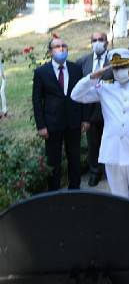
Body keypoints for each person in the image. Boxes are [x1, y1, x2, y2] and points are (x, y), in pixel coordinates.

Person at [71, 49, 129, 204]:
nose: (118, 71)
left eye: (122, 67)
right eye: (115, 68)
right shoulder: (105, 88)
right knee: (118, 201)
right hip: (113, 153)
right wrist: (92, 77)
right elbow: (76, 95)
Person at [32, 37, 87, 191]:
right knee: (53, 160)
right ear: (50, 52)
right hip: (52, 124)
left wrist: (85, 119)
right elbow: (37, 101)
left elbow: (82, 94)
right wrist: (41, 125)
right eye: (57, 46)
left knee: (74, 157)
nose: (61, 49)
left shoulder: (76, 69)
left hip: (73, 121)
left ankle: (75, 188)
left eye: (64, 45)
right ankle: (54, 192)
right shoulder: (41, 72)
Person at [75, 31, 110, 187]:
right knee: (93, 144)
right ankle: (95, 172)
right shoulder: (82, 62)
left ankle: (110, 172)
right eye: (94, 40)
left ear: (107, 42)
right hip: (90, 113)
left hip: (110, 111)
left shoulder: (114, 61)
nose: (97, 42)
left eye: (100, 40)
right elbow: (79, 91)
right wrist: (84, 118)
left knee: (111, 143)